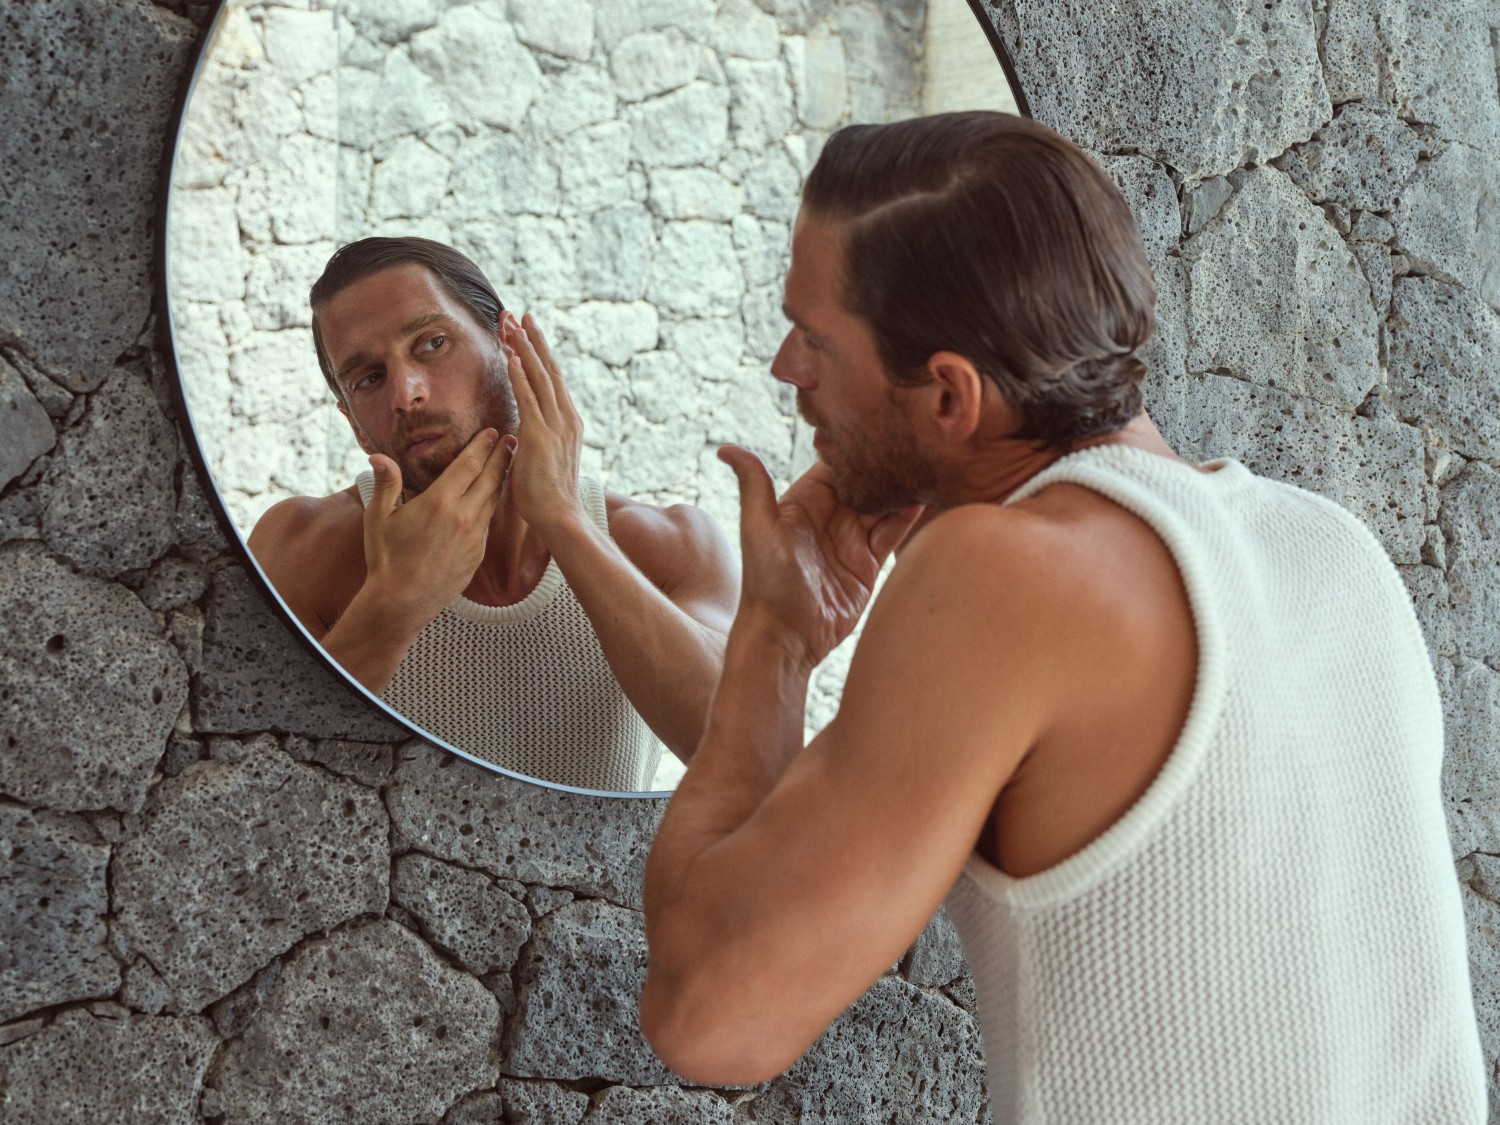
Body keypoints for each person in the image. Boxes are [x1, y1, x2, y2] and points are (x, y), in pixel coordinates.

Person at [640, 112, 1486, 1120]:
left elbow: (709, 1015)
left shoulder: (1006, 573)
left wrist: (775, 640)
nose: (790, 370)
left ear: (950, 395)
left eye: (816, 340)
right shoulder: (1334, 549)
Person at [248, 237, 738, 791]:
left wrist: (567, 522)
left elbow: (738, 748)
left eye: (432, 343)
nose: (406, 393)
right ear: (353, 421)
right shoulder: (302, 547)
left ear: (510, 347)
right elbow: (251, 792)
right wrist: (393, 604)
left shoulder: (670, 545)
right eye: (369, 378)